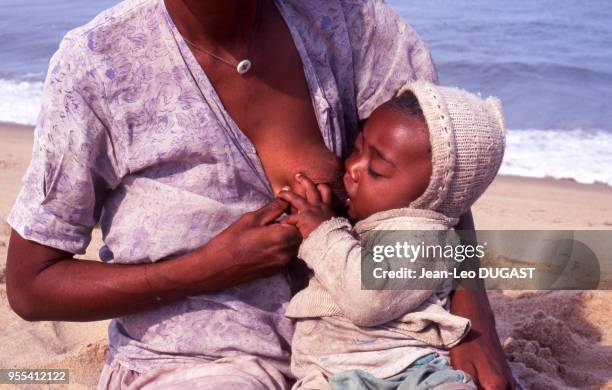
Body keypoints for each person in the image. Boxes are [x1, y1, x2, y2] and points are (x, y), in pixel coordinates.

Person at [5, 0, 516, 388]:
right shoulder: (98, 66)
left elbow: (437, 179)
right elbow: (31, 286)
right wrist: (206, 267)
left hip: (376, 348)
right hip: (196, 361)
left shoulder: (348, 22)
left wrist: (475, 322)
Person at [276, 80, 505, 389]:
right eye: (357, 150)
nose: (353, 168)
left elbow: (367, 301)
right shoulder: (373, 224)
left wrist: (322, 230)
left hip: (408, 372)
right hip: (328, 375)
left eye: (377, 171)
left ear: (430, 195)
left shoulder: (425, 240)